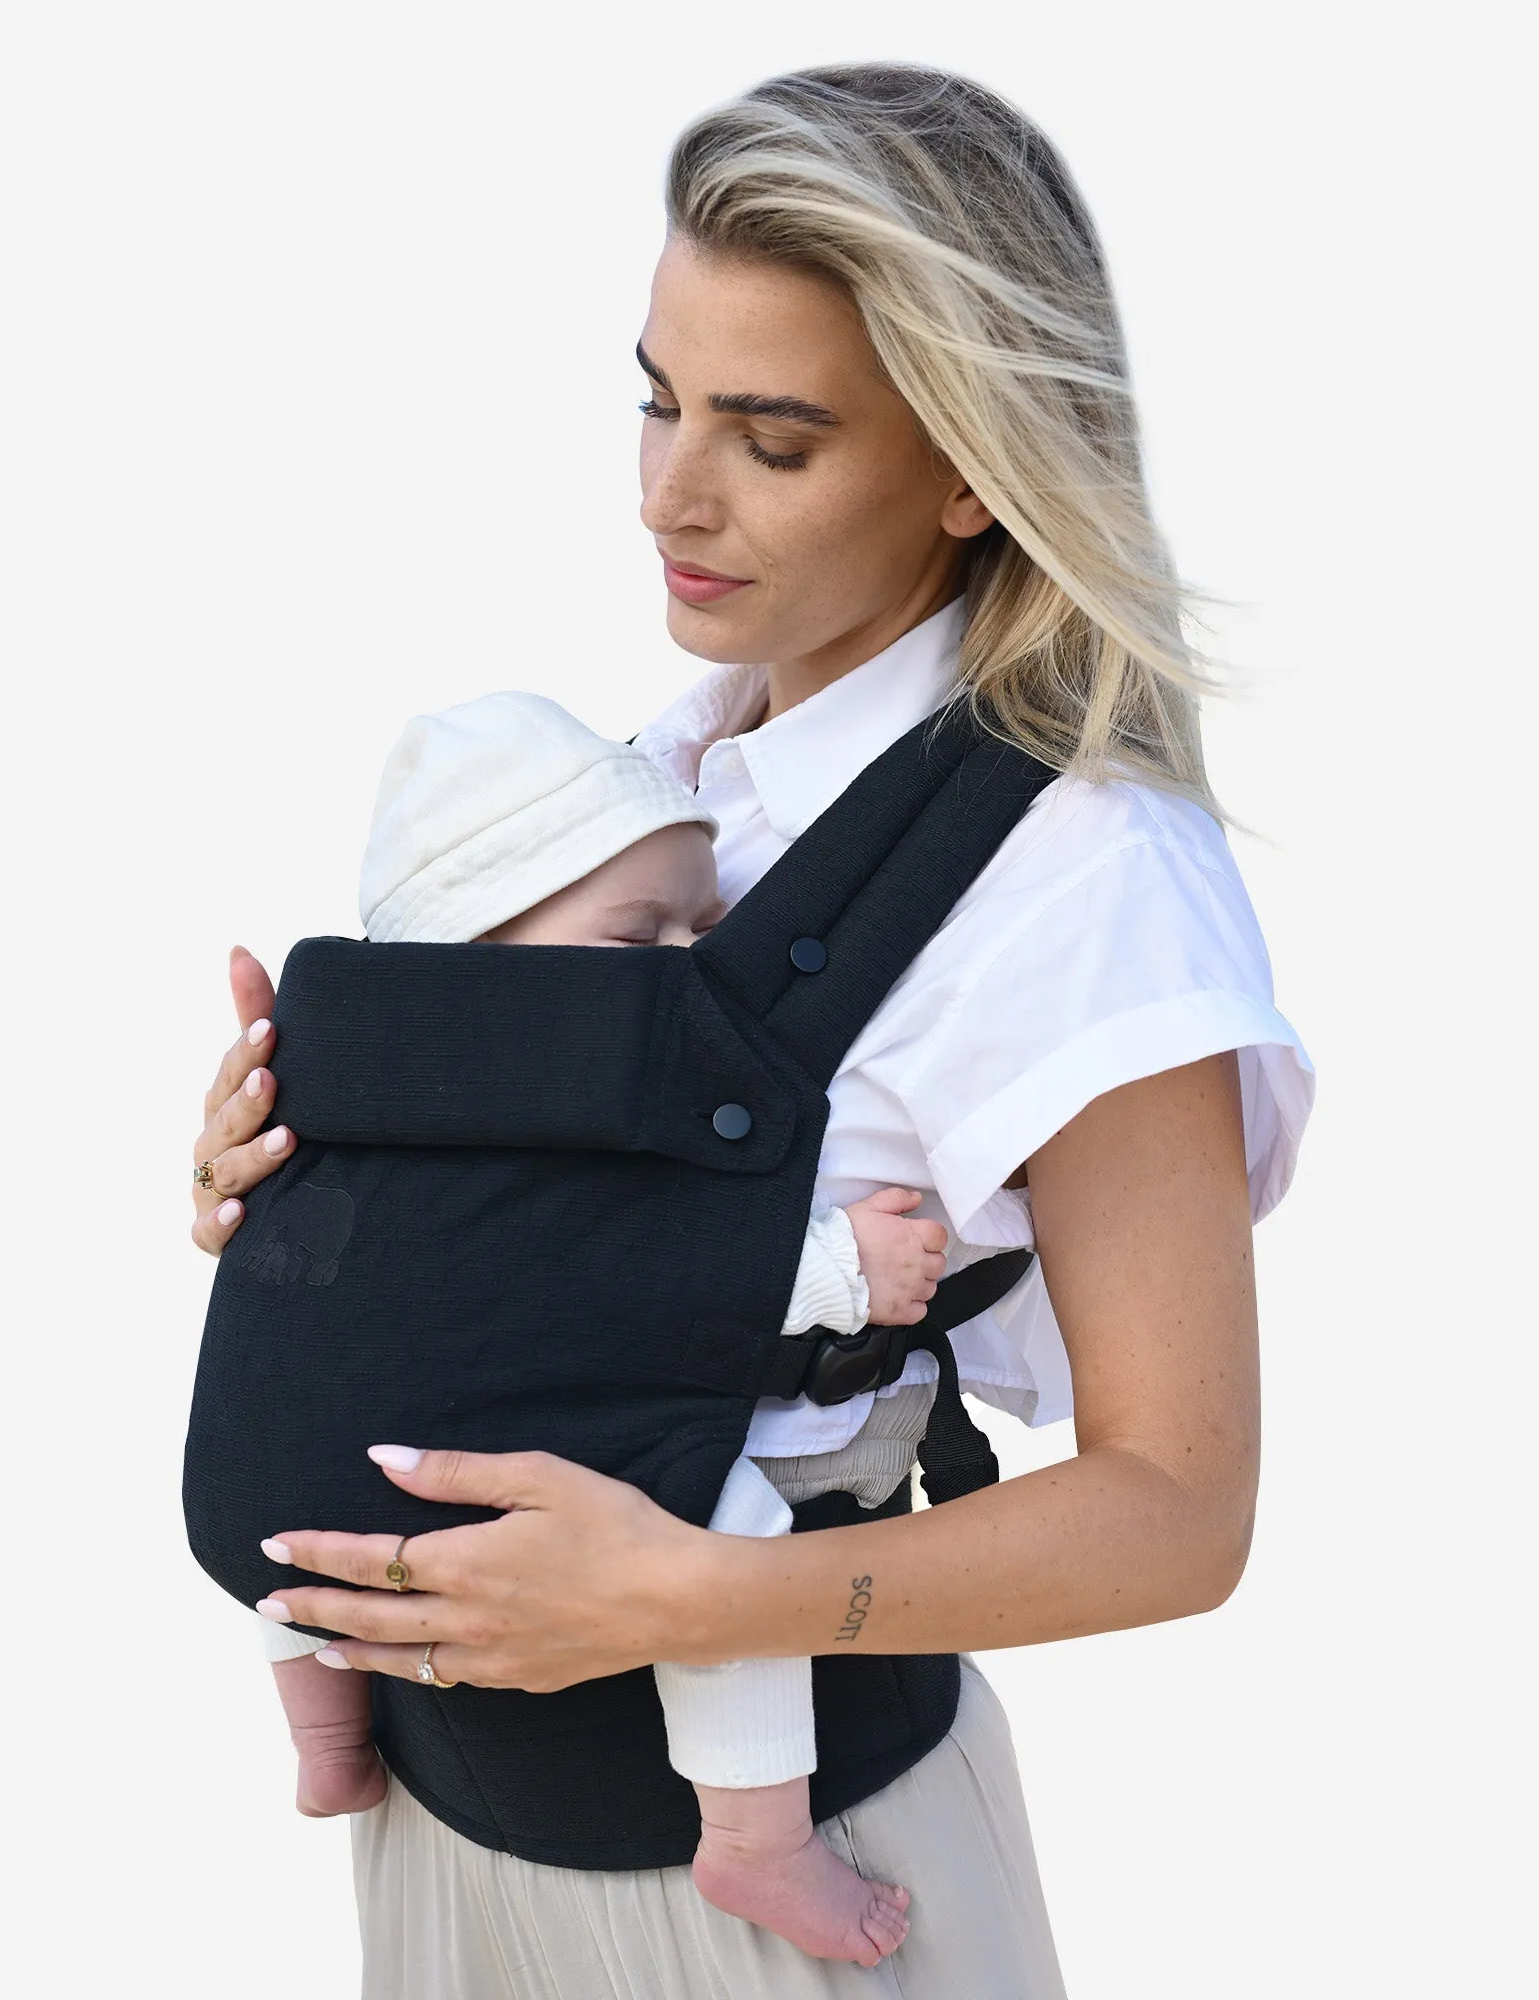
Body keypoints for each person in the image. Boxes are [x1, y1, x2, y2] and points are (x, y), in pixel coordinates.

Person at [189, 63, 1313, 1999]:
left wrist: (705, 1596)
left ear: (972, 466)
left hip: (782, 1887)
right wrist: (310, 1190)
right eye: (659, 399)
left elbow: (1179, 1514)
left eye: (772, 439)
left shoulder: (1084, 883)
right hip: (444, 1831)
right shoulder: (664, 779)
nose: (667, 493)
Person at [258, 689, 943, 1965]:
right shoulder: (556, 1090)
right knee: (727, 1527)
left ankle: (325, 1731)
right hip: (492, 1447)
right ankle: (753, 1832)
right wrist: (842, 1270)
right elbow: (635, 1268)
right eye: (640, 933)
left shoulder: (369, 1072)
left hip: (369, 1451)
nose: (688, 965)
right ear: (477, 953)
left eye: (706, 927)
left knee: (287, 1497)